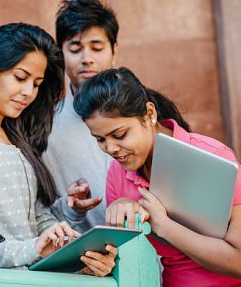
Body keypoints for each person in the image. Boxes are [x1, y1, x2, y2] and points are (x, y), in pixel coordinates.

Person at [0, 23, 116, 276]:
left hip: (33, 278)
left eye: (37, 83)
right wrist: (31, 249)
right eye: (20, 77)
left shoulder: (16, 138)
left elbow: (36, 219)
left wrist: (73, 247)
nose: (28, 92)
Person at [73, 67, 241, 286]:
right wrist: (104, 258)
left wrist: (165, 226)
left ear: (150, 114)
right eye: (100, 139)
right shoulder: (117, 174)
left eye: (119, 134)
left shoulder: (214, 157)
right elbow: (122, 260)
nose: (111, 148)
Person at [42, 0, 119, 232]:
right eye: (75, 48)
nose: (87, 59)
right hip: (86, 261)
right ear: (60, 54)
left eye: (97, 48)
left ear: (114, 50)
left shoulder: (144, 114)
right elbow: (40, 212)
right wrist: (70, 206)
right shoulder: (45, 128)